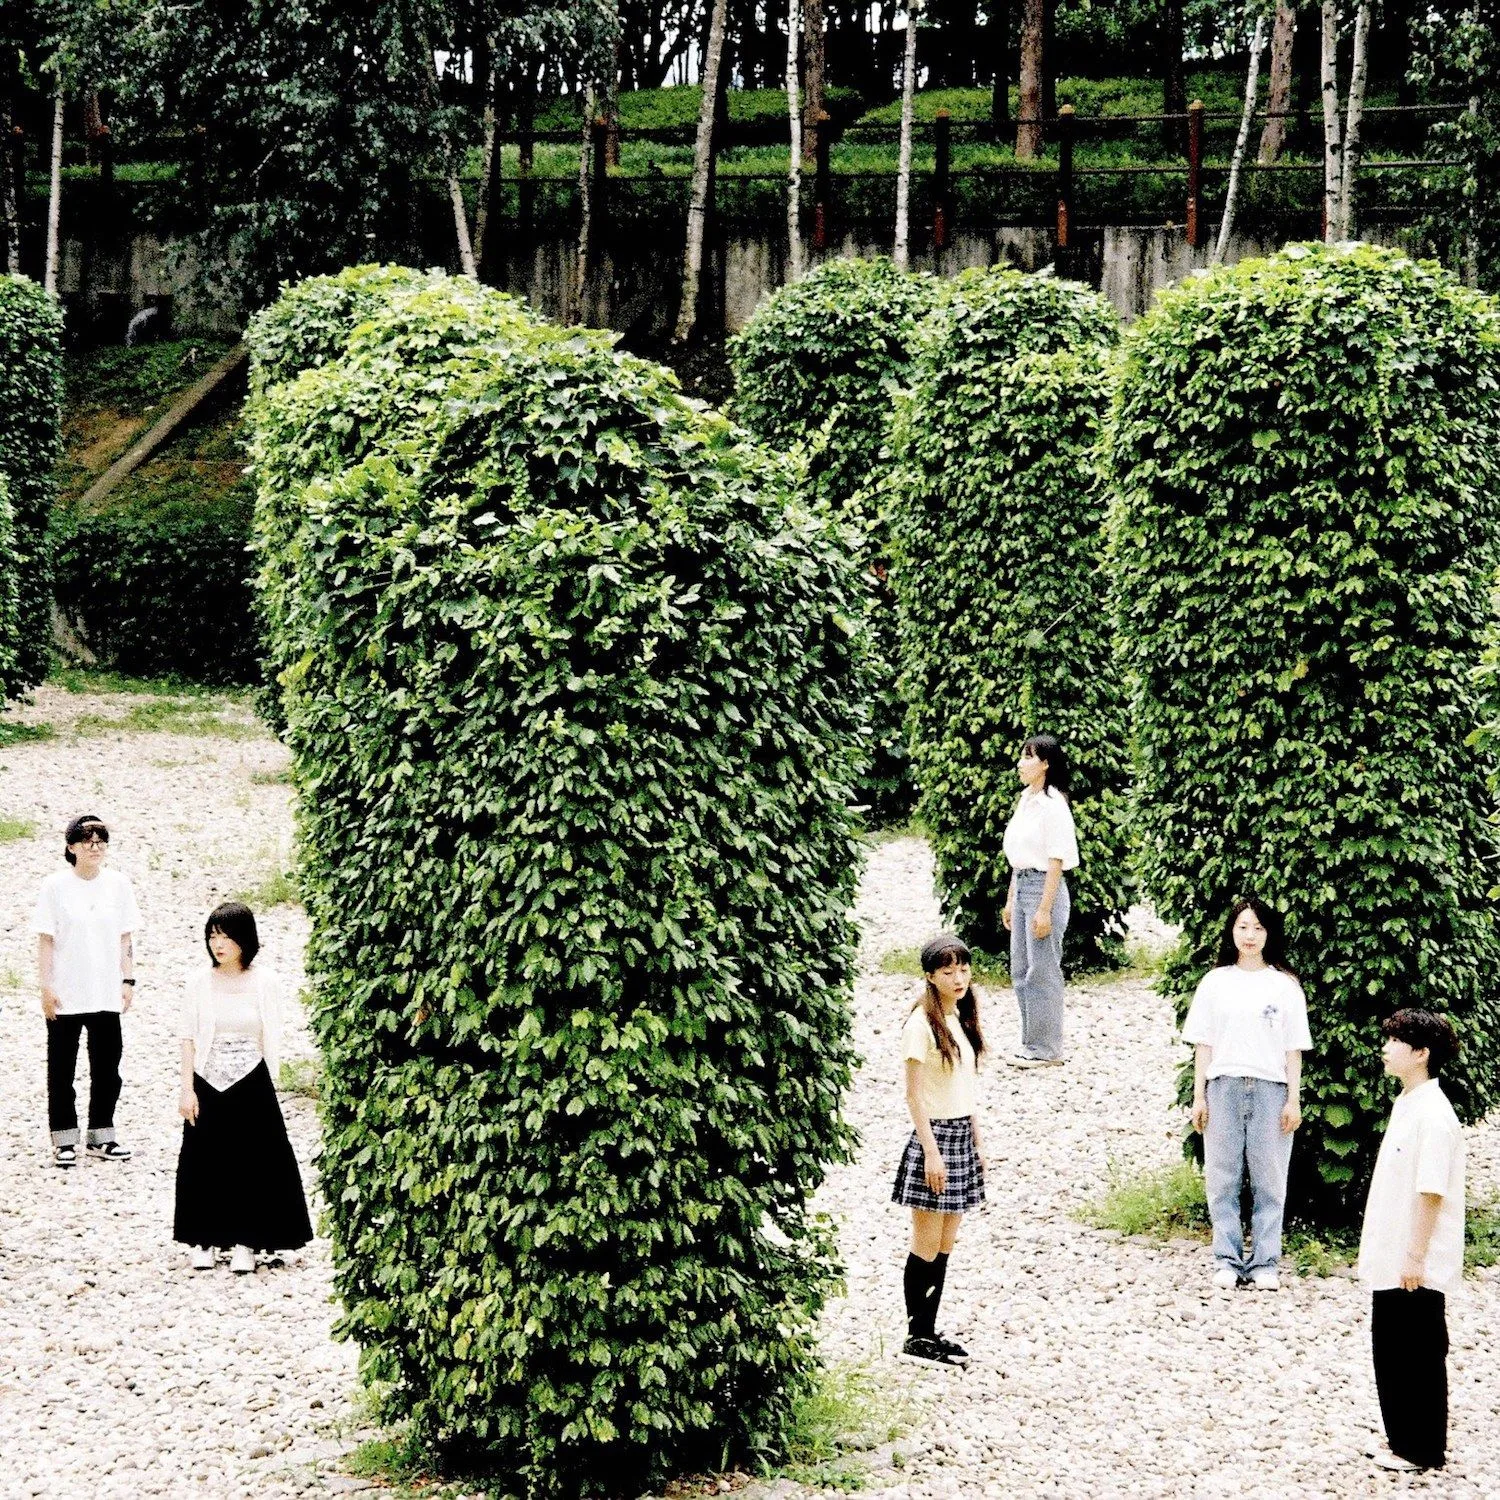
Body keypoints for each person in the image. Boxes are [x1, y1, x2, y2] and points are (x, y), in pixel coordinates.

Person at [175, 901, 311, 1273]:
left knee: (254, 1160)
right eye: (212, 936)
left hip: (251, 1078)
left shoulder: (265, 981)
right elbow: (187, 1037)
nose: (218, 944)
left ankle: (246, 1241)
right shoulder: (198, 982)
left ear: (244, 939)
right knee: (204, 1160)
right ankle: (203, 1239)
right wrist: (186, 1089)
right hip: (207, 1076)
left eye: (226, 936)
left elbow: (270, 1035)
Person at [1185, 897, 1312, 1291]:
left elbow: (1293, 1049)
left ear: (1269, 933)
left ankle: (1265, 1263)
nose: (1250, 935)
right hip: (1223, 1087)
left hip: (1271, 1090)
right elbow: (1203, 1044)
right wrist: (1199, 1096)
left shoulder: (1285, 986)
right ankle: (1226, 1259)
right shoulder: (1215, 982)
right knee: (1222, 1179)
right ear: (1231, 931)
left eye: (1258, 927)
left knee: (1269, 1180)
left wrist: (1293, 1099)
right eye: (1242, 926)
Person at [1358, 1009, 1465, 1474]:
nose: (1385, 1049)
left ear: (1421, 1053)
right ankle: (1401, 1441)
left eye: (1395, 1041)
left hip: (1414, 1259)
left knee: (1416, 1354)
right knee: (1391, 1349)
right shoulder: (1408, 1102)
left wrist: (1415, 1255)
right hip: (1393, 1253)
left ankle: (1422, 1449)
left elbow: (1431, 1190)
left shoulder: (1434, 1115)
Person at [891, 933, 986, 1366]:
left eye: (963, 969)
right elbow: (913, 1096)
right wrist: (931, 1152)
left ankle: (929, 1331)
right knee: (926, 1240)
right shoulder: (920, 1025)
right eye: (948, 971)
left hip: (961, 1134)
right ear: (930, 976)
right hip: (935, 1138)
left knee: (946, 1241)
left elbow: (964, 1088)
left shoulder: (959, 1017)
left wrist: (977, 1142)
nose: (958, 978)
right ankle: (916, 1336)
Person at [33, 814, 143, 1168]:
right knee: (62, 1070)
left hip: (105, 992)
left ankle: (102, 1135)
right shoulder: (55, 886)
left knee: (108, 1069)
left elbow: (125, 936)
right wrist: (45, 986)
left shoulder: (118, 884)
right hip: (66, 992)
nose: (95, 847)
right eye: (87, 841)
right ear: (71, 847)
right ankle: (64, 1139)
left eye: (101, 841)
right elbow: (46, 939)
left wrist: (128, 980)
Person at [1000, 734, 1078, 1067]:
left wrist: (1044, 909)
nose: (1021, 763)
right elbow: (1019, 856)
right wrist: (1011, 900)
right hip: (1022, 885)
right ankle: (1030, 1042)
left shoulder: (1053, 804)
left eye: (1028, 757)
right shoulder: (1025, 800)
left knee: (1042, 970)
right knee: (1021, 968)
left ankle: (1047, 1049)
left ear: (1045, 764)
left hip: (1043, 888)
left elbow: (1056, 858)